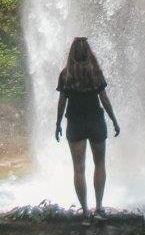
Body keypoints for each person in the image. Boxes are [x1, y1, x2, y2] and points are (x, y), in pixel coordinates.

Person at [55, 37, 120, 223]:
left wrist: (58, 123)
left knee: (78, 169)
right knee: (100, 164)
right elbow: (105, 100)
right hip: (96, 122)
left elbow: (62, 102)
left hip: (75, 123)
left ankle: (85, 213)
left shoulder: (65, 74)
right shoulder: (95, 73)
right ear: (88, 52)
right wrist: (114, 120)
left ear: (72, 53)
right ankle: (99, 208)